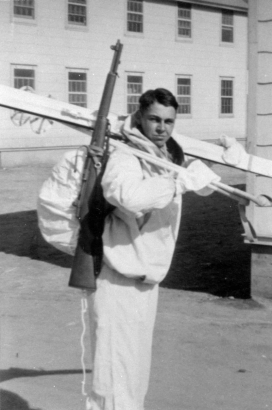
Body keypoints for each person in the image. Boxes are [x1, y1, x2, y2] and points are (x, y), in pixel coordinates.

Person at [86, 88, 220, 410]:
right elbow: (128, 195)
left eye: (169, 121)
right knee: (114, 379)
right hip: (118, 277)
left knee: (134, 376)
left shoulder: (164, 155)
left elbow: (192, 181)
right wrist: (179, 183)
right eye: (155, 120)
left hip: (145, 278)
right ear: (140, 117)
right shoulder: (126, 155)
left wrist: (211, 169)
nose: (162, 128)